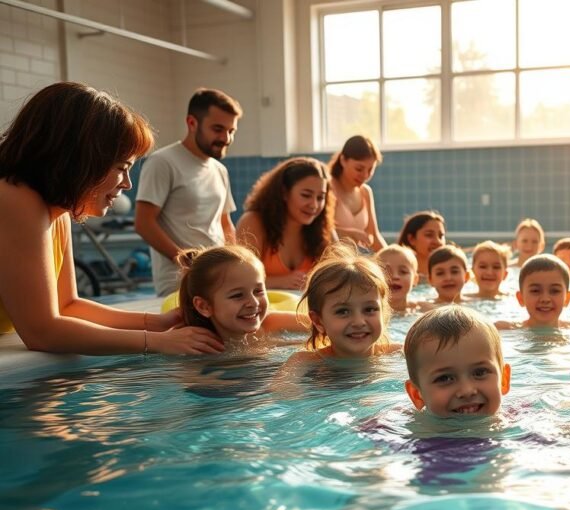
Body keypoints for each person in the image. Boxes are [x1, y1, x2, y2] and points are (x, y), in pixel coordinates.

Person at [0, 81, 223, 355]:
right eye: (122, 168)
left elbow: (68, 305)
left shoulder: (55, 210)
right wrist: (156, 342)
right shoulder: (15, 199)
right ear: (81, 160)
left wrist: (159, 323)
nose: (127, 184)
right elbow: (42, 333)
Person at [135, 88, 243, 297]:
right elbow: (144, 223)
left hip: (218, 280)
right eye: (218, 129)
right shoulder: (162, 162)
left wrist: (237, 261)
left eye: (231, 131)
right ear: (192, 123)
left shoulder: (219, 170)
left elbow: (225, 223)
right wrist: (184, 259)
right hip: (179, 283)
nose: (226, 138)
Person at [285, 244, 401, 364]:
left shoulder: (401, 355)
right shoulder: (304, 363)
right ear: (318, 321)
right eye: (343, 311)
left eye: (369, 309)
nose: (359, 322)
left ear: (382, 312)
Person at [177, 245, 305, 348]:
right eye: (237, 295)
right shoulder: (195, 344)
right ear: (204, 306)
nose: (254, 303)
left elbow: (320, 323)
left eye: (258, 291)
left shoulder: (269, 324)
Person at [235, 157, 334, 290]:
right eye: (306, 195)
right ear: (284, 193)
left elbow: (340, 275)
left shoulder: (324, 230)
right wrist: (280, 282)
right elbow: (239, 280)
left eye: (320, 197)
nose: (314, 205)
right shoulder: (253, 223)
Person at [404, 305, 511, 418]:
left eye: (480, 372)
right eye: (445, 378)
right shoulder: (401, 431)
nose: (467, 391)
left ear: (504, 379)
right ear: (417, 395)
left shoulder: (523, 421)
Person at [329, 135, 386, 251]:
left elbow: (374, 235)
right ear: (343, 160)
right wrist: (347, 234)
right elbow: (318, 230)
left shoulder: (365, 192)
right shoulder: (328, 189)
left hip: (355, 260)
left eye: (370, 170)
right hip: (331, 261)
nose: (365, 175)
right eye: (359, 169)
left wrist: (393, 257)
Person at [496, 254, 570, 330]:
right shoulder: (503, 329)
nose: (545, 299)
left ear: (567, 298)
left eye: (554, 291)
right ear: (520, 298)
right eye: (535, 291)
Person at [397, 210, 446, 279]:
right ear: (411, 239)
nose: (438, 242)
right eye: (429, 235)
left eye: (441, 236)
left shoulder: (451, 273)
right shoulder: (398, 276)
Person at [375, 244, 422, 313]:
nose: (395, 276)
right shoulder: (371, 311)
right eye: (387, 272)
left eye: (403, 272)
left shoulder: (422, 309)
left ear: (415, 279)